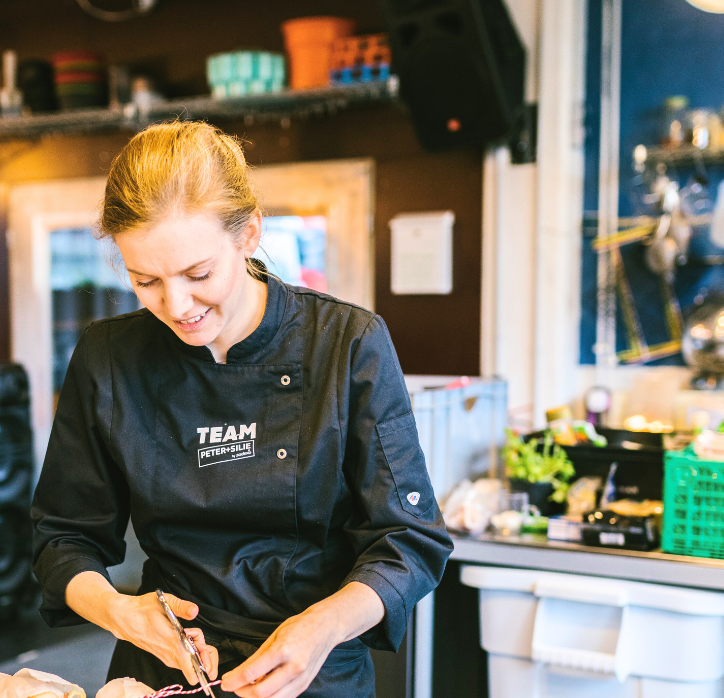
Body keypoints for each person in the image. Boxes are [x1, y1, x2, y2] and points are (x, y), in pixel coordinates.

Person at [31, 121, 452, 698]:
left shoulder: (346, 343)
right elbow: (61, 538)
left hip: (312, 672)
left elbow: (408, 541)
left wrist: (321, 628)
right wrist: (123, 613)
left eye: (198, 274)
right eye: (145, 281)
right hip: (162, 670)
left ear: (250, 232)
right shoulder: (109, 358)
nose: (177, 305)